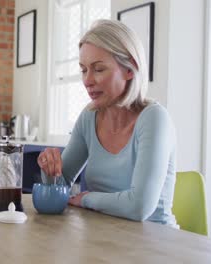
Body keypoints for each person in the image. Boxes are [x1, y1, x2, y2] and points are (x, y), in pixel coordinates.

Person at [38, 19, 177, 227]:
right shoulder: (89, 117)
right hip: (105, 237)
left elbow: (139, 207)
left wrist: (86, 199)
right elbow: (60, 184)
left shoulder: (154, 118)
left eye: (99, 69)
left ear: (130, 69)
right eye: (84, 70)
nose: (87, 80)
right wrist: (49, 169)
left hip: (155, 245)